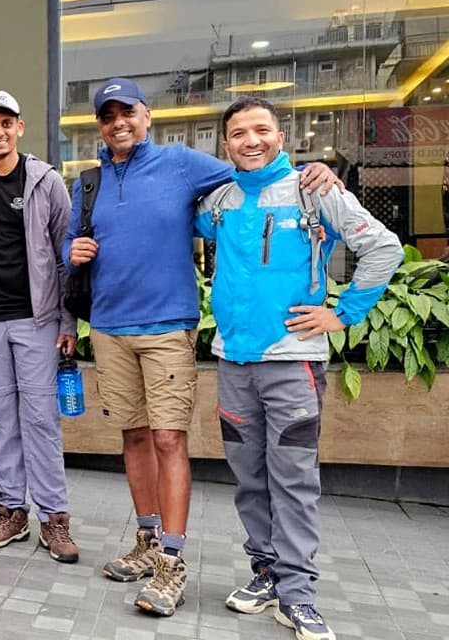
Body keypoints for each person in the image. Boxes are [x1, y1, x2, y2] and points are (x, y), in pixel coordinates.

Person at [62, 78, 341, 616]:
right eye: (108, 115)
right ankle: (146, 542)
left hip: (168, 325)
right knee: (134, 436)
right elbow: (73, 248)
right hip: (111, 327)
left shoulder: (183, 164)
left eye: (129, 112)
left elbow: (255, 170)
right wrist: (74, 251)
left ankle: (172, 560)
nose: (119, 122)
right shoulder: (88, 183)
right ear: (100, 124)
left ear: (147, 117)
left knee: (168, 439)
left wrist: (313, 170)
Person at [195, 97, 401, 640]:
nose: (251, 140)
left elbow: (384, 248)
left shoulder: (316, 191)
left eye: (261, 129)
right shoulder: (218, 202)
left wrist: (343, 313)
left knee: (293, 481)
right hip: (234, 362)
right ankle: (265, 573)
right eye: (238, 133)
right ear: (226, 145)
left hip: (293, 363)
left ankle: (299, 595)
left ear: (281, 137)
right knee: (248, 479)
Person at [0, 91, 78, 560]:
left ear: (20, 128)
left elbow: (65, 256)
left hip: (35, 319)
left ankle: (55, 517)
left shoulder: (45, 181)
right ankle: (12, 510)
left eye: (7, 123)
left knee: (41, 419)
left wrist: (67, 319)